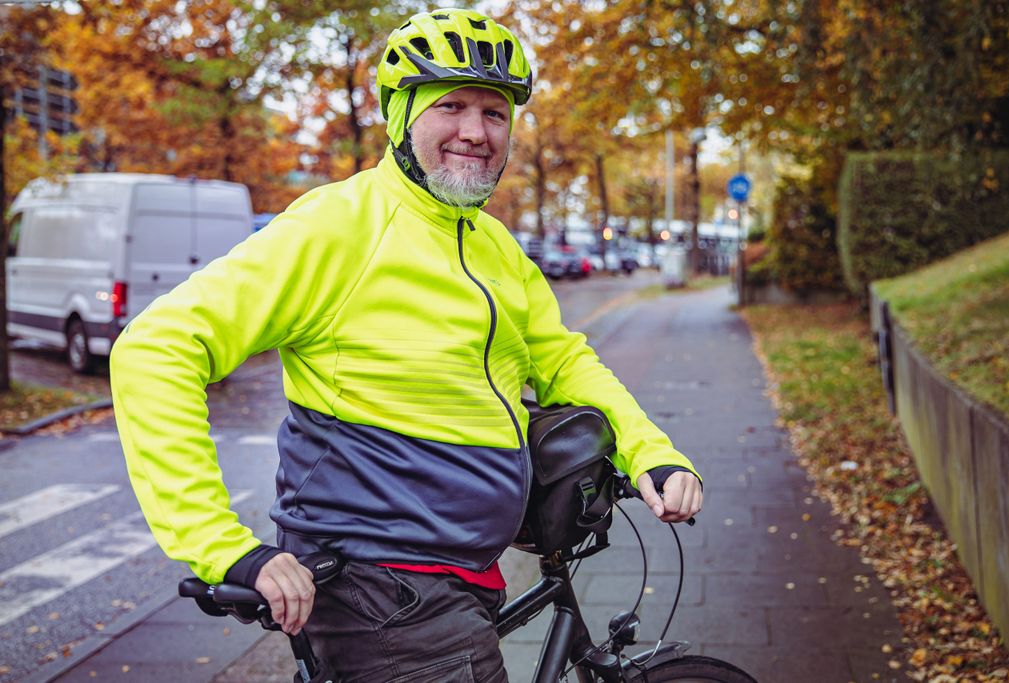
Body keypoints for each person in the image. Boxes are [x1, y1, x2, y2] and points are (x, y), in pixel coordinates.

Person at [110, 8, 702, 682]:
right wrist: (222, 546)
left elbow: (564, 360)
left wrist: (649, 449)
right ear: (401, 117)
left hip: (456, 576)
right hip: (385, 594)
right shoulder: (339, 226)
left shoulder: (495, 248)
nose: (475, 132)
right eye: (451, 105)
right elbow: (156, 348)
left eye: (495, 112)